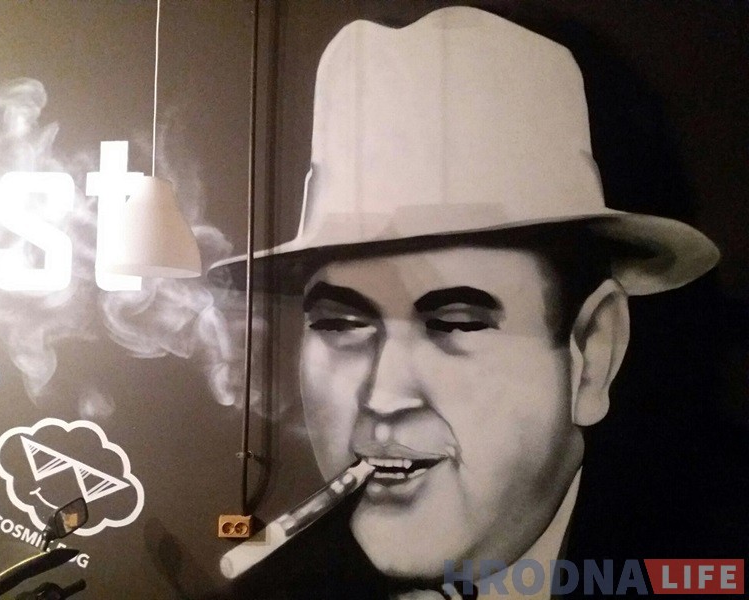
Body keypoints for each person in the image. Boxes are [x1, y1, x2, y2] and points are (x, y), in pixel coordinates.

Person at [210, 6, 723, 599]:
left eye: (454, 324)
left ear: (592, 355)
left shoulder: (704, 553)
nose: (382, 396)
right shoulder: (279, 589)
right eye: (340, 321)